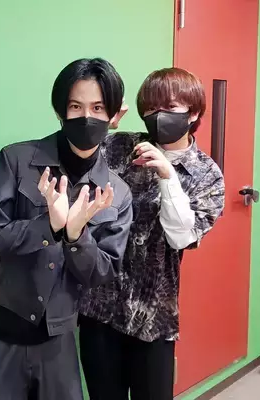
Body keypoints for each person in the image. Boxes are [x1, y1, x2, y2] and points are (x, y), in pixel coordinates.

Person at [0, 58, 133, 400]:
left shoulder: (116, 193)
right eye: (76, 106)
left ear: (114, 116)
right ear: (60, 111)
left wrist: (76, 236)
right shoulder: (16, 160)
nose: (87, 117)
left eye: (98, 108)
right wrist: (48, 226)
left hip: (57, 340)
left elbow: (101, 272)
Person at [79, 68, 226, 400]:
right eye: (150, 107)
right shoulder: (120, 146)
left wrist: (167, 176)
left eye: (170, 106)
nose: (158, 115)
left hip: (153, 316)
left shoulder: (206, 175)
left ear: (194, 112)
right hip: (100, 305)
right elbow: (75, 160)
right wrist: (101, 126)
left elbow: (182, 237)